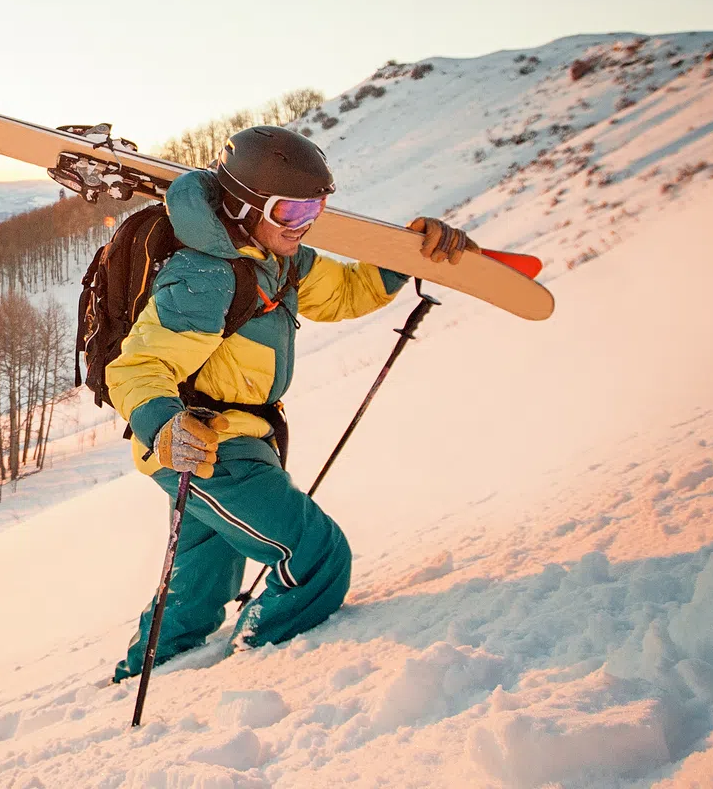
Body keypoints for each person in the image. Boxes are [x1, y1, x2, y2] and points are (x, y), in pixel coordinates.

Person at [108, 125, 471, 682]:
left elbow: (346, 291)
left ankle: (138, 676)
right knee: (315, 557)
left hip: (242, 440)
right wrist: (163, 425)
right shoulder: (207, 277)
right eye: (291, 211)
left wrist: (403, 258)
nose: (304, 225)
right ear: (245, 205)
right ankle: (253, 674)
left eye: (315, 209)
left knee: (198, 588)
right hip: (202, 449)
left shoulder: (279, 259)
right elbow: (138, 367)